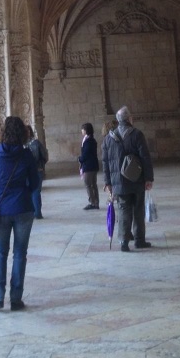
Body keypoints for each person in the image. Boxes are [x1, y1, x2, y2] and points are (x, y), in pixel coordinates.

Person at [0, 116, 40, 311]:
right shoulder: (26, 156)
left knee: (0, 253)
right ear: (23, 134)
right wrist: (25, 191)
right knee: (20, 254)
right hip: (23, 208)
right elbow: (35, 183)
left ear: (3, 132)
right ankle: (16, 299)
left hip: (1, 209)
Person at [102, 106, 154, 251]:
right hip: (136, 179)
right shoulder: (137, 134)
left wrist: (107, 182)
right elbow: (145, 158)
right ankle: (139, 240)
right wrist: (148, 178)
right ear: (129, 119)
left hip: (118, 182)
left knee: (124, 209)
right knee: (138, 209)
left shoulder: (108, 139)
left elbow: (105, 162)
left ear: (118, 121)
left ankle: (124, 242)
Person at [25, 124, 48, 218]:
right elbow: (44, 156)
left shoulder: (22, 145)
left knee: (32, 192)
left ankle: (35, 212)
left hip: (27, 172)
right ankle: (37, 213)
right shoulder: (36, 143)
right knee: (35, 192)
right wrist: (41, 165)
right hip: (37, 170)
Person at [78, 123, 99, 209]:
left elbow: (86, 154)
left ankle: (93, 203)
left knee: (88, 185)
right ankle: (96, 202)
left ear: (86, 130)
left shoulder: (88, 141)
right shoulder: (91, 140)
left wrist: (80, 159)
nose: (81, 130)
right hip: (93, 165)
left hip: (89, 166)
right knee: (93, 185)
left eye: (82, 129)